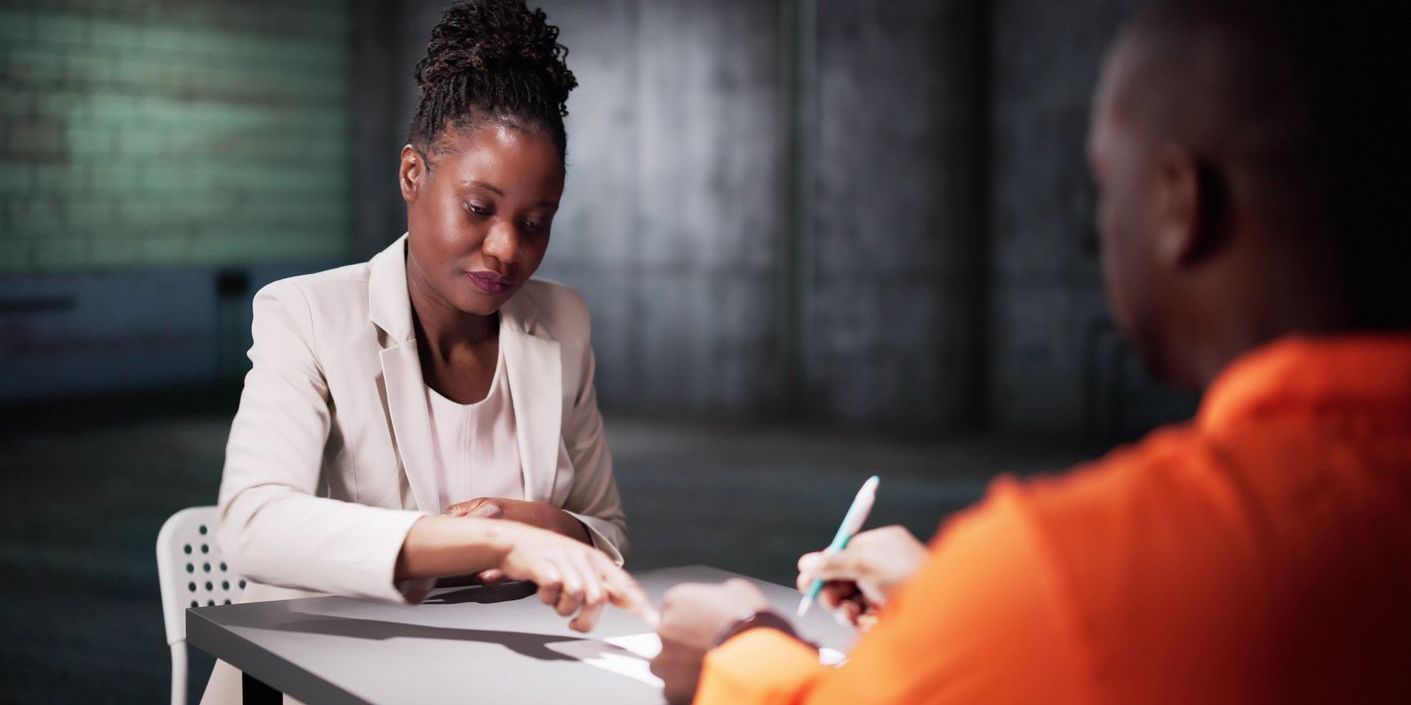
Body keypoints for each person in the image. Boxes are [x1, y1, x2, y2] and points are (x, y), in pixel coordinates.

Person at [650, 1, 1411, 703]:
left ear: (1180, 205)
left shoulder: (1075, 568)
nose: (1099, 230)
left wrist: (733, 645)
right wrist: (952, 606)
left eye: (1109, 185)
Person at [202, 2, 651, 702]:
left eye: (535, 223)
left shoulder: (560, 321)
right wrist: (488, 544)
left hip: (498, 677)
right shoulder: (308, 314)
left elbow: (606, 529)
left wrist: (549, 525)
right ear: (413, 174)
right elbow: (255, 523)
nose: (507, 248)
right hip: (325, 679)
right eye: (479, 208)